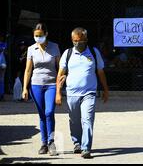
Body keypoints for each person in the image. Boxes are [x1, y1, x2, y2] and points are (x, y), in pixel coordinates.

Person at [55, 27, 109, 159]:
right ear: (72, 40)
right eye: (75, 41)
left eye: (80, 41)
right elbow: (60, 74)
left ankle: (86, 148)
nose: (78, 43)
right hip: (72, 93)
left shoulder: (93, 52)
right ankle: (77, 143)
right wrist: (58, 92)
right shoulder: (67, 54)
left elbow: (100, 72)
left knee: (87, 119)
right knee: (74, 121)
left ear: (86, 40)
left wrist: (106, 90)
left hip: (89, 93)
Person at [22, 23, 61, 156]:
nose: (38, 38)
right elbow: (28, 70)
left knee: (49, 112)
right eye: (36, 36)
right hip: (35, 85)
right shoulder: (31, 49)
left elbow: (59, 68)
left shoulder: (55, 47)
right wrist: (24, 89)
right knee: (42, 115)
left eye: (40, 35)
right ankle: (44, 143)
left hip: (51, 84)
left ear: (46, 34)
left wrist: (60, 87)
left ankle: (51, 142)